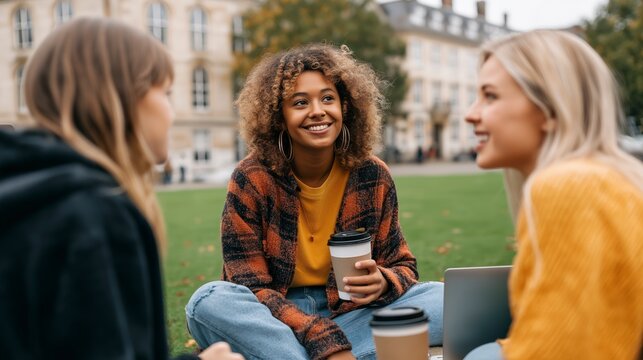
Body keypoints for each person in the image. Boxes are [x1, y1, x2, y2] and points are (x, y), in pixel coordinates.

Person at [0, 18, 242, 360]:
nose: (172, 113)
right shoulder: (94, 215)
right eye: (166, 93)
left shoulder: (25, 194)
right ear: (126, 99)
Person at [185, 44, 444, 360]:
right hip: (275, 315)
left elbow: (403, 264)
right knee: (208, 301)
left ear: (344, 107)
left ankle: (289, 355)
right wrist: (321, 337)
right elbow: (250, 286)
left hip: (352, 314)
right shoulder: (251, 178)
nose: (318, 111)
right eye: (300, 102)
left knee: (443, 299)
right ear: (278, 116)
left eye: (327, 98)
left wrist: (382, 282)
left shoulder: (372, 174)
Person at [463, 30, 643, 359]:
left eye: (490, 96)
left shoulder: (568, 187)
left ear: (549, 110)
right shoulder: (605, 178)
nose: (471, 114)